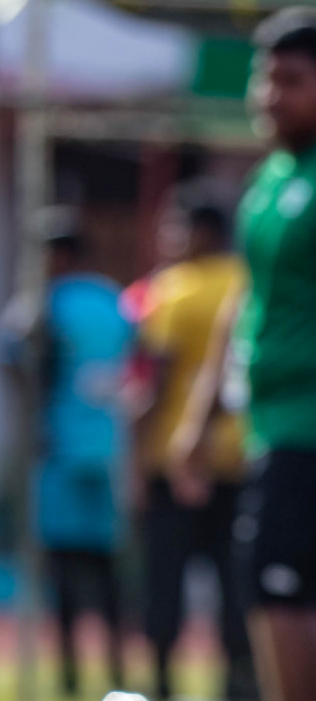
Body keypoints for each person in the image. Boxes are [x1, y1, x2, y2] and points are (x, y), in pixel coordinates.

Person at [175, 6, 316, 701]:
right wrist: (200, 418)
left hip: (309, 432)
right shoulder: (266, 186)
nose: (270, 96)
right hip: (269, 428)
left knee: (282, 590)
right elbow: (245, 304)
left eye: (291, 80)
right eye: (265, 79)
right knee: (268, 588)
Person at [132, 185, 256, 701]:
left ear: (201, 231)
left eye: (177, 226)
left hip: (177, 456)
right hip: (243, 456)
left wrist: (136, 455)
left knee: (166, 579)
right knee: (238, 583)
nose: (170, 238)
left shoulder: (173, 289)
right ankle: (237, 686)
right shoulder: (247, 283)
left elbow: (153, 379)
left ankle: (161, 685)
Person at [7, 207, 130, 698]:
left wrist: (33, 412)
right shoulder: (112, 300)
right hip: (106, 452)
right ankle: (119, 677)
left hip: (58, 451)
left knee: (63, 573)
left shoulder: (41, 303)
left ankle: (69, 679)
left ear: (56, 255)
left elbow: (8, 353)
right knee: (107, 576)